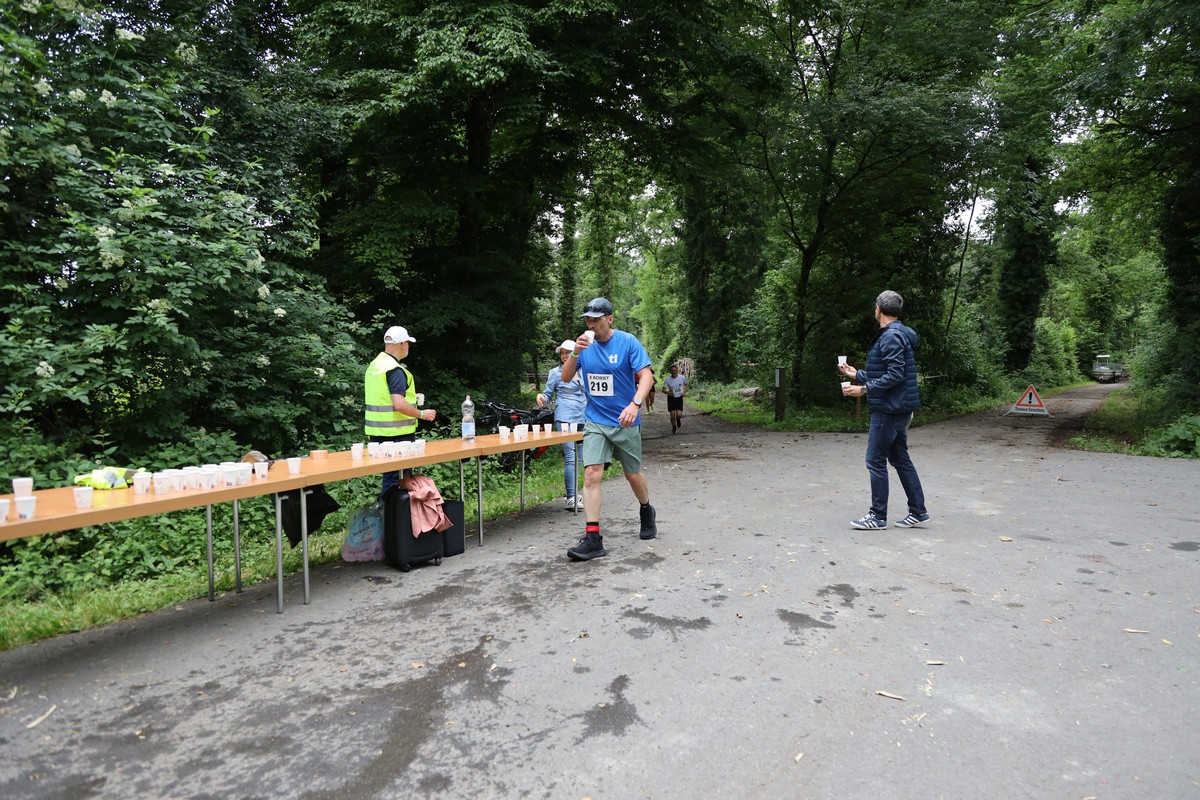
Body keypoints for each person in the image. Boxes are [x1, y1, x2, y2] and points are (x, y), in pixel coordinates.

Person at [560, 297, 657, 560]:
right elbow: (566, 377)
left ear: (610, 319)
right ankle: (593, 539)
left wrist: (635, 404)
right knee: (591, 474)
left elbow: (646, 377)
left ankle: (646, 509)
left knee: (632, 475)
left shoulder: (627, 342)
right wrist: (575, 353)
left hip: (625, 420)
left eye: (596, 319)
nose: (591, 325)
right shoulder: (584, 346)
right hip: (595, 421)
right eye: (588, 320)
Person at [838, 290, 929, 530]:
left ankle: (877, 516)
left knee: (875, 460)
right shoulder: (899, 334)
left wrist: (863, 389)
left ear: (878, 309)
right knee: (900, 458)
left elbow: (895, 375)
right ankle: (918, 511)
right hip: (898, 406)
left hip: (889, 409)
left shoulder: (890, 336)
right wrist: (857, 374)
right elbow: (887, 373)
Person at [364, 325, 437, 499]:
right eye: (408, 343)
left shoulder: (375, 366)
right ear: (403, 344)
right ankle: (391, 515)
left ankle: (391, 514)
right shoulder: (395, 370)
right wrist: (422, 414)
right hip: (397, 435)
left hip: (378, 434)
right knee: (397, 481)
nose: (408, 347)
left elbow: (383, 397)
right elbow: (399, 404)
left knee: (391, 478)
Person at [537, 339, 588, 510]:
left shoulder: (583, 370)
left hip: (582, 417)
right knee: (571, 456)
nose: (565, 356)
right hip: (565, 417)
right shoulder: (555, 372)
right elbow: (547, 394)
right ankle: (571, 497)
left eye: (568, 352)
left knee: (580, 457)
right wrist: (540, 397)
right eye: (563, 353)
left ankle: (573, 492)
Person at [662, 363, 688, 434]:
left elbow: (686, 385)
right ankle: (674, 426)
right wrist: (669, 393)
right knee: (672, 414)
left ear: (677, 370)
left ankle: (678, 419)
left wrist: (684, 392)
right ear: (670, 371)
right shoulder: (667, 380)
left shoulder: (682, 378)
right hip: (671, 398)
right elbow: (663, 389)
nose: (674, 372)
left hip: (679, 397)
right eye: (672, 371)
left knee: (679, 414)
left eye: (675, 370)